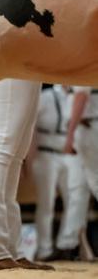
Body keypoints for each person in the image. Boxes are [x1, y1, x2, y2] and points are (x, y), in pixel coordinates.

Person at [0, 79, 53, 270]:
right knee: (0, 144)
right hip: (10, 61)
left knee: (15, 154)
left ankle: (11, 249)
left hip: (31, 66)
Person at [31, 85, 89, 261]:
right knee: (46, 203)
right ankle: (44, 249)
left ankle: (66, 244)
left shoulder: (75, 94)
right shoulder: (45, 96)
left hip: (70, 152)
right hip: (46, 153)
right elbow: (31, 124)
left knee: (74, 198)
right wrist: (29, 157)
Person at [64, 86, 98, 199]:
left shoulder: (81, 70)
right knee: (78, 187)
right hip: (86, 128)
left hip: (88, 128)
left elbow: (81, 97)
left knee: (95, 181)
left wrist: (70, 136)